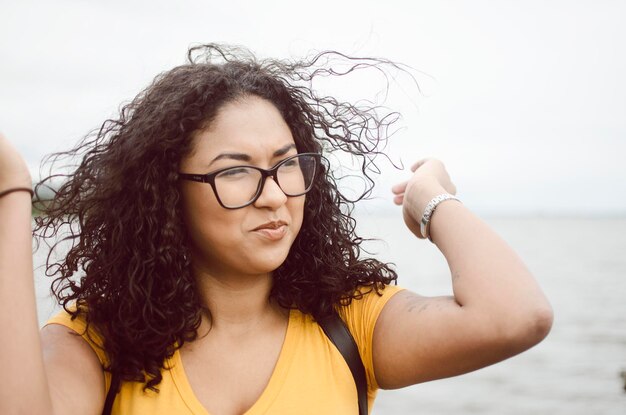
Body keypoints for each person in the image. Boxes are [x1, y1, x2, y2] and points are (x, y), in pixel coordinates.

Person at [0, 44, 553, 415]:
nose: (274, 196)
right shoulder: (96, 343)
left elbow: (516, 317)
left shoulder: (349, 323)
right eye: (235, 172)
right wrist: (13, 191)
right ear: (166, 193)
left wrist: (430, 197)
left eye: (287, 164)